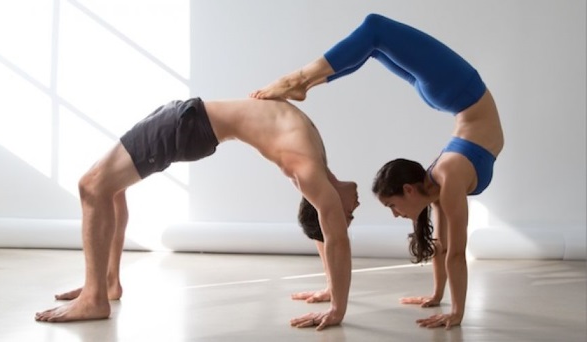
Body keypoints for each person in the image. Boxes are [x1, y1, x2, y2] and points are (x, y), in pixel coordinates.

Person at [251, 13, 504, 329]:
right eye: (393, 207)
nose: (396, 214)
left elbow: (451, 252)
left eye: (392, 205)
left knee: (374, 33)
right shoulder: (445, 181)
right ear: (410, 189)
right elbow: (450, 251)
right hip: (462, 93)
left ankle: (304, 81)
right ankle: (303, 81)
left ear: (409, 188)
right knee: (374, 35)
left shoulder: (445, 178)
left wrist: (454, 310)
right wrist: (442, 301)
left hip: (459, 95)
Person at [34, 97, 360, 331]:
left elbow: (334, 238)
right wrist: (332, 287)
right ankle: (107, 284)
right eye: (348, 216)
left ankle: (95, 298)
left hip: (187, 123)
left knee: (91, 187)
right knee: (110, 189)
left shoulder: (308, 170)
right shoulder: (318, 165)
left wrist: (337, 309)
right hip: (186, 118)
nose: (354, 210)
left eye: (348, 216)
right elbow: (328, 230)